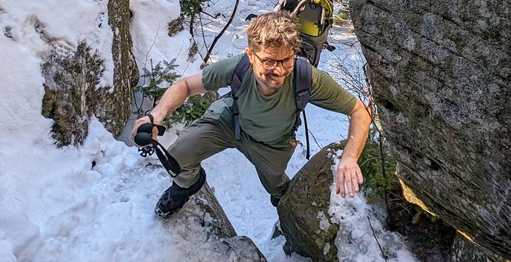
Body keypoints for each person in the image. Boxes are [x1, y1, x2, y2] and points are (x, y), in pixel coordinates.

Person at [131, 11, 372, 218]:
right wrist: (155, 116)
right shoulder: (239, 67)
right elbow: (185, 86)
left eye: (285, 60)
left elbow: (359, 111)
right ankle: (184, 188)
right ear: (250, 55)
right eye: (268, 62)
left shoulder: (306, 77)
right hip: (229, 122)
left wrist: (349, 157)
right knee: (177, 158)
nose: (278, 70)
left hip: (272, 144)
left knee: (277, 187)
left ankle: (286, 215)